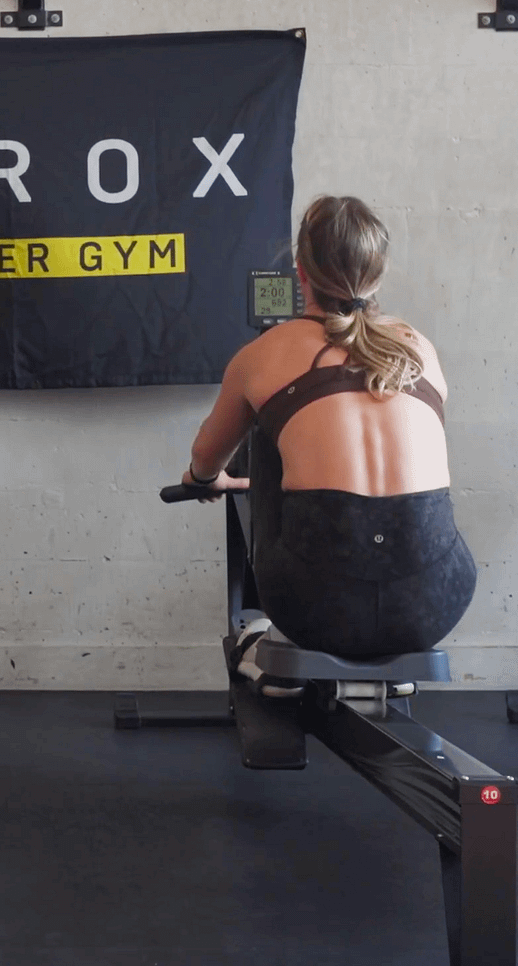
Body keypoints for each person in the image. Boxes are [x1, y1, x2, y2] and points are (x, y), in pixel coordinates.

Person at [182, 195, 476, 675]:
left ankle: (258, 636)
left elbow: (205, 458)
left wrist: (202, 479)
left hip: (313, 606)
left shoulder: (262, 354)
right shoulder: (418, 348)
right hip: (434, 602)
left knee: (267, 435)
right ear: (377, 275)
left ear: (301, 273)